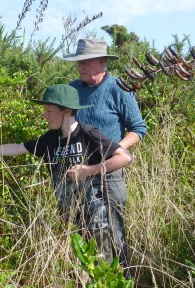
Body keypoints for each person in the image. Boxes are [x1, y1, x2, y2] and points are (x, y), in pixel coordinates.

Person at [0, 84, 133, 263]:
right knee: (85, 265)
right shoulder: (50, 139)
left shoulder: (88, 134)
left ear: (66, 110)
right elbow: (18, 148)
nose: (44, 116)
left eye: (49, 111)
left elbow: (124, 157)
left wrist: (88, 171)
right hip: (72, 215)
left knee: (105, 265)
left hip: (97, 215)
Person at [63, 38, 147, 270]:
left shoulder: (119, 88)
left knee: (114, 231)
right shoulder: (72, 90)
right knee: (85, 232)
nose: (80, 67)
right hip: (77, 173)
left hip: (110, 174)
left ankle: (122, 278)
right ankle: (92, 279)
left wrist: (115, 152)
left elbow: (138, 129)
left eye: (85, 62)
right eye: (78, 62)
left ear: (101, 62)